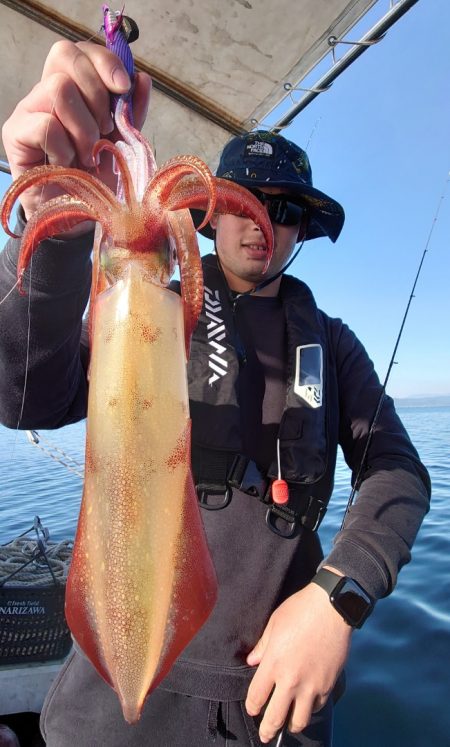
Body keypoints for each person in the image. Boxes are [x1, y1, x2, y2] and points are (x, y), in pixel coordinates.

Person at [0, 41, 430, 747]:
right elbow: (24, 398)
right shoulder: (145, 311)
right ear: (209, 212)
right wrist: (53, 238)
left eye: (286, 210)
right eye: (244, 200)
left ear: (299, 231)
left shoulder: (330, 341)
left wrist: (338, 596)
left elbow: (399, 472)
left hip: (262, 702)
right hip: (107, 703)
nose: (264, 221)